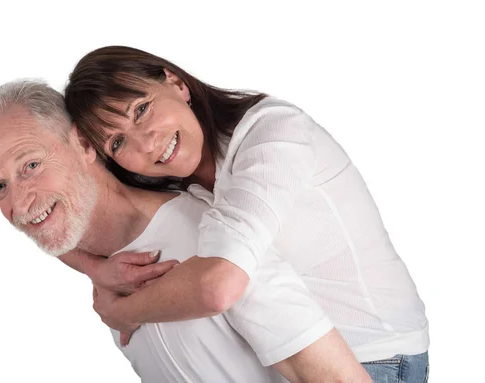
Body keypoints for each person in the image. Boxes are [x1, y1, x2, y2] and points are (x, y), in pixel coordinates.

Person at [63, 46, 430, 382]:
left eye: (141, 110)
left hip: (376, 359)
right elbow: (49, 218)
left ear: (176, 83)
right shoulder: (178, 186)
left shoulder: (274, 133)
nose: (146, 142)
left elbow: (221, 284)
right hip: (296, 367)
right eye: (118, 142)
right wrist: (94, 268)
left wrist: (125, 312)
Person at [0, 80, 371, 382]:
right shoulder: (109, 277)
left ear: (85, 145)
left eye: (31, 166)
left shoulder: (210, 239)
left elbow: (337, 376)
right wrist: (93, 269)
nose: (18, 205)